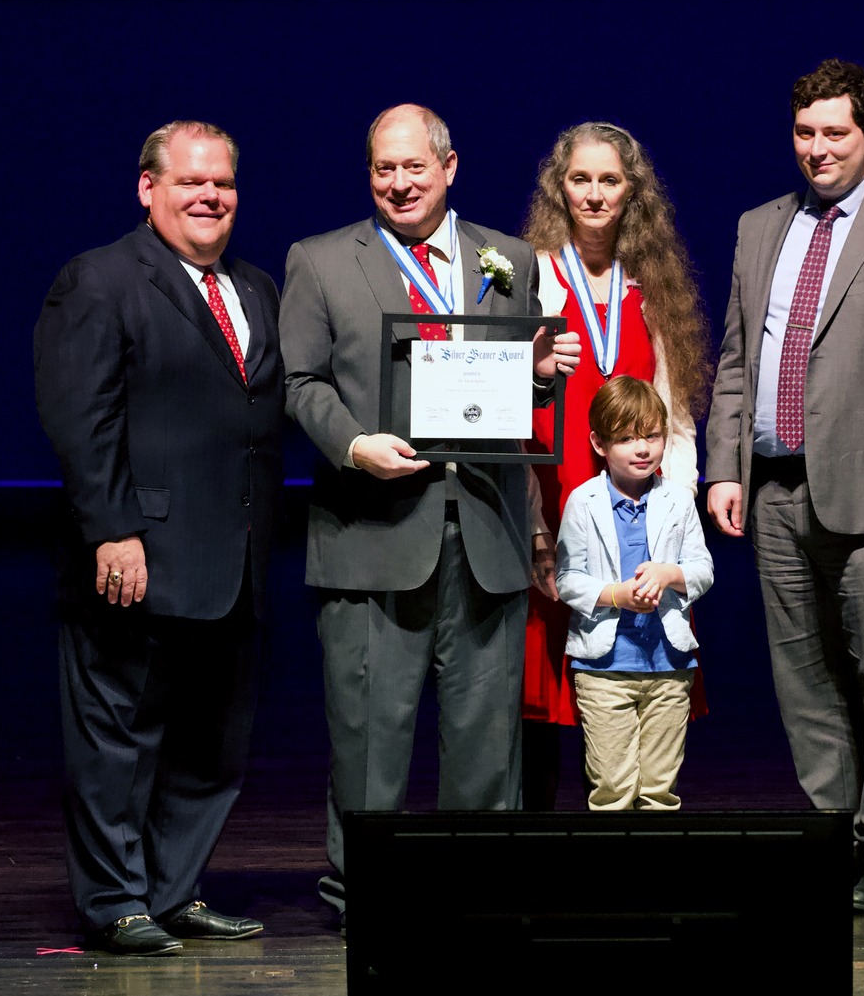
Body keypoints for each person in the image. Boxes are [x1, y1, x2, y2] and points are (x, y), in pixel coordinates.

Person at [279, 104, 582, 924]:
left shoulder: (509, 258)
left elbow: (509, 384)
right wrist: (353, 447)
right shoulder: (319, 261)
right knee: (368, 737)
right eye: (384, 169)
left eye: (415, 167)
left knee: (488, 740)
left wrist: (541, 372)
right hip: (370, 532)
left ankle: (476, 893)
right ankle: (363, 895)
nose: (400, 183)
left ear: (450, 167)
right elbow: (299, 384)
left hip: (484, 531)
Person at [702, 58, 864, 914]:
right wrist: (723, 464)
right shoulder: (758, 226)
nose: (818, 149)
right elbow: (738, 358)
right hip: (775, 487)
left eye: (835, 134)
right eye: (805, 133)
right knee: (803, 676)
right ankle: (835, 829)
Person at [33, 120, 283, 955]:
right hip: (134, 556)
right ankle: (115, 901)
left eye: (223, 183)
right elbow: (82, 418)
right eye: (190, 182)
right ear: (149, 189)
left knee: (214, 742)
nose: (210, 196)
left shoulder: (253, 287)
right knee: (117, 739)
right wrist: (113, 529)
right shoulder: (99, 281)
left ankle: (174, 892)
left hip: (233, 558)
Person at [518, 122, 711, 809]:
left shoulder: (651, 281)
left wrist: (677, 511)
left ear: (633, 192)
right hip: (553, 497)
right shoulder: (532, 273)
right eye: (580, 179)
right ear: (559, 187)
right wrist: (534, 524)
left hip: (634, 507)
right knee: (542, 693)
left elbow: (674, 408)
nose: (594, 194)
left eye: (609, 180)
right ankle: (542, 854)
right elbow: (509, 408)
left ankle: (631, 853)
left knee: (637, 681)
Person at [555, 376, 715, 811]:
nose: (642, 449)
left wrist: (671, 574)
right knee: (612, 789)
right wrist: (615, 594)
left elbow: (704, 571)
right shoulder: (583, 501)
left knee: (659, 792)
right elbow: (567, 578)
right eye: (626, 439)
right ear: (600, 443)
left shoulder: (679, 499)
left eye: (652, 436)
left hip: (669, 665)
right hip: (605, 667)